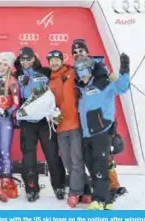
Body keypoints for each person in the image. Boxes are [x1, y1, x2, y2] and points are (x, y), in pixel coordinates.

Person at [71, 38, 128, 203]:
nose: (78, 54)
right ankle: (106, 193)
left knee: (103, 162)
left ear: (87, 52)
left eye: (81, 51)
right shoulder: (78, 80)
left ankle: (108, 192)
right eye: (74, 52)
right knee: (95, 163)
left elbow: (117, 87)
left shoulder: (100, 69)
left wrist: (123, 72)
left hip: (102, 124)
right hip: (87, 127)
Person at [14, 47, 66, 202]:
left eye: (28, 59)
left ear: (34, 58)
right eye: (22, 59)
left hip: (45, 122)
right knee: (28, 157)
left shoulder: (45, 72)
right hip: (27, 123)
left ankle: (59, 186)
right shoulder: (17, 75)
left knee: (52, 154)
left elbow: (58, 82)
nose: (25, 62)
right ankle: (31, 188)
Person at [47, 50, 89, 208]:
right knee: (68, 162)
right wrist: (52, 115)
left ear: (62, 60)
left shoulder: (72, 72)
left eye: (57, 60)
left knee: (77, 160)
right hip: (61, 128)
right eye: (51, 61)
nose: (54, 63)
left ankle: (74, 192)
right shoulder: (49, 82)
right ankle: (85, 191)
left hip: (76, 125)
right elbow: (49, 106)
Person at [0, 52, 20, 202]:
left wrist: (5, 111)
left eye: (5, 64)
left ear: (9, 66)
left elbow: (16, 103)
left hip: (5, 119)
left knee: (4, 151)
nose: (2, 66)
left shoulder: (12, 81)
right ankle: (2, 182)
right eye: (0, 63)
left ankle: (6, 185)